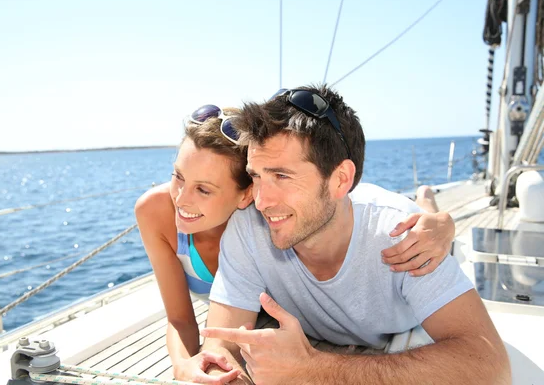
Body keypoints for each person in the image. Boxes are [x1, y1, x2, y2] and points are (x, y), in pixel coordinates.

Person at [199, 85, 511, 384]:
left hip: (403, 236)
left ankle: (426, 200)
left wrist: (316, 369)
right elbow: (220, 347)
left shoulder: (405, 236)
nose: (262, 201)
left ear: (341, 179)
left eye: (282, 176)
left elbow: (490, 367)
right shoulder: (247, 225)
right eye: (256, 176)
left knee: (427, 213)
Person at [134, 104, 458, 383]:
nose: (180, 198)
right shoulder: (165, 211)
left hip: (287, 308)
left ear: (245, 194)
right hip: (258, 314)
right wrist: (186, 366)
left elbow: (339, 208)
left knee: (418, 221)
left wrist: (444, 225)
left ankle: (427, 201)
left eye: (204, 189)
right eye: (177, 176)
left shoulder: (269, 219)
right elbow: (188, 323)